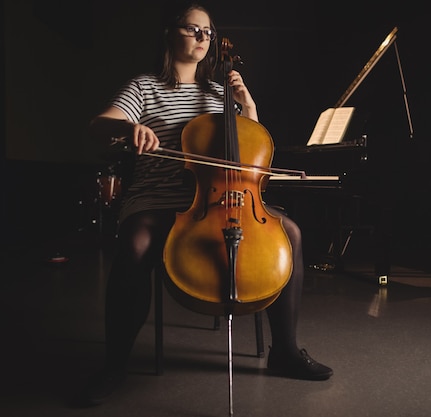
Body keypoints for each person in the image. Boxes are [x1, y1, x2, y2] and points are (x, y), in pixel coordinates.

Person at [81, 0, 332, 406]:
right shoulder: (144, 87)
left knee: (292, 234)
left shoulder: (220, 94)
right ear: (170, 33)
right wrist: (129, 128)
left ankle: (284, 351)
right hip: (157, 199)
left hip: (224, 201)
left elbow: (249, 156)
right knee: (135, 245)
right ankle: (114, 365)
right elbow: (99, 125)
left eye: (207, 32)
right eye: (192, 28)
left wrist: (248, 109)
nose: (202, 37)